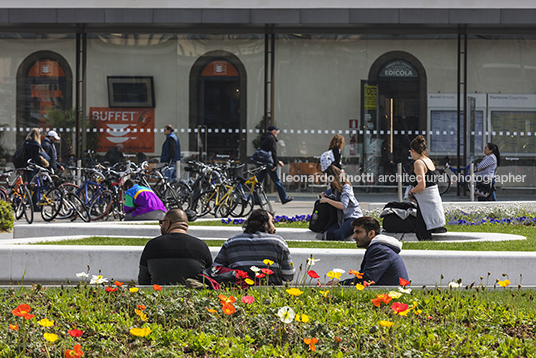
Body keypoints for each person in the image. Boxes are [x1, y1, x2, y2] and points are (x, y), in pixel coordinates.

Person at [212, 209, 294, 285]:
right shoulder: (279, 242)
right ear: (265, 224)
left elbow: (216, 269)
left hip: (238, 292)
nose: (274, 228)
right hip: (270, 293)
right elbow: (288, 276)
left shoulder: (231, 242)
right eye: (272, 222)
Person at [138, 209, 213, 285]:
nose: (161, 226)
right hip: (192, 295)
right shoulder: (201, 246)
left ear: (168, 223)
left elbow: (143, 280)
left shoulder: (152, 245)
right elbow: (210, 278)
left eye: (161, 223)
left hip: (159, 294)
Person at [330, 217, 409, 286]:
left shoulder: (380, 250)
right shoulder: (379, 248)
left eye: (358, 232)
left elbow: (368, 280)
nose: (354, 237)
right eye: (354, 233)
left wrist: (340, 284)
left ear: (371, 233)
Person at [407, 135, 446, 240]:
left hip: (425, 200)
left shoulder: (418, 163)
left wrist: (411, 191)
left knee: (422, 230)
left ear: (412, 150)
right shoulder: (428, 160)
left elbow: (421, 185)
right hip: (433, 198)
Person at [319, 165, 363, 241]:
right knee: (330, 233)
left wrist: (327, 200)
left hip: (353, 217)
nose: (327, 181)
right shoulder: (336, 187)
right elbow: (335, 198)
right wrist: (326, 196)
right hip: (342, 219)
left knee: (339, 234)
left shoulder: (346, 187)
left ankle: (344, 250)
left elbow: (343, 205)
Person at [256, 125, 293, 204]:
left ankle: (255, 199)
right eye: (276, 131)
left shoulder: (265, 138)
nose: (277, 133)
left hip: (264, 162)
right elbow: (273, 152)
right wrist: (275, 164)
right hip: (270, 163)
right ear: (273, 131)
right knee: (277, 181)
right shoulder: (271, 138)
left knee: (258, 181)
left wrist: (277, 161)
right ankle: (284, 198)